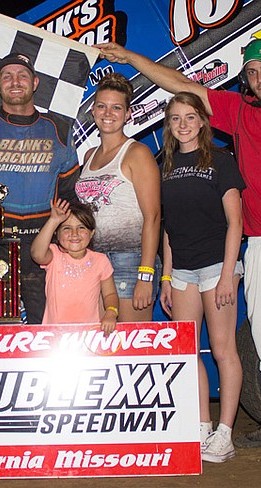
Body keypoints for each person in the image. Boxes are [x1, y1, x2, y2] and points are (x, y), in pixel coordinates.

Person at [97, 38, 261, 466]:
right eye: (251, 72)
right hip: (259, 242)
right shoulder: (239, 111)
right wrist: (131, 57)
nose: (259, 78)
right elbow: (178, 83)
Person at [0, 52, 81, 324]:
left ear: (34, 83)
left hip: (45, 249)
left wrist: (73, 247)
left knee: (53, 337)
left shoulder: (59, 130)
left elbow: (72, 198)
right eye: (7, 76)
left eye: (22, 75)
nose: (15, 81)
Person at [158, 92, 245, 463]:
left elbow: (235, 222)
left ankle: (225, 433)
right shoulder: (164, 164)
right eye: (176, 118)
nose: (183, 125)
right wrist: (165, 276)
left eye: (190, 117)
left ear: (202, 121)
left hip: (216, 267)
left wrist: (228, 274)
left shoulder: (221, 162)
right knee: (187, 350)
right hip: (181, 271)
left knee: (224, 349)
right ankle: (201, 427)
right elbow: (166, 226)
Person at [75, 72, 161, 322]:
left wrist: (145, 275)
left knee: (129, 347)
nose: (108, 113)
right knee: (101, 346)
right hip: (94, 261)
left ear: (128, 113)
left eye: (116, 107)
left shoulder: (137, 153)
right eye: (102, 106)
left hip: (131, 261)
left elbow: (153, 217)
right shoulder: (89, 155)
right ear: (93, 110)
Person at [31, 199, 119, 332]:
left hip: (89, 335)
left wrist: (111, 313)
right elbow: (36, 254)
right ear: (57, 233)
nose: (74, 234)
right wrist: (53, 220)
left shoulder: (100, 261)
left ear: (92, 233)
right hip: (55, 335)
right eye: (67, 228)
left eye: (81, 227)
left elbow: (110, 294)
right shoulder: (54, 255)